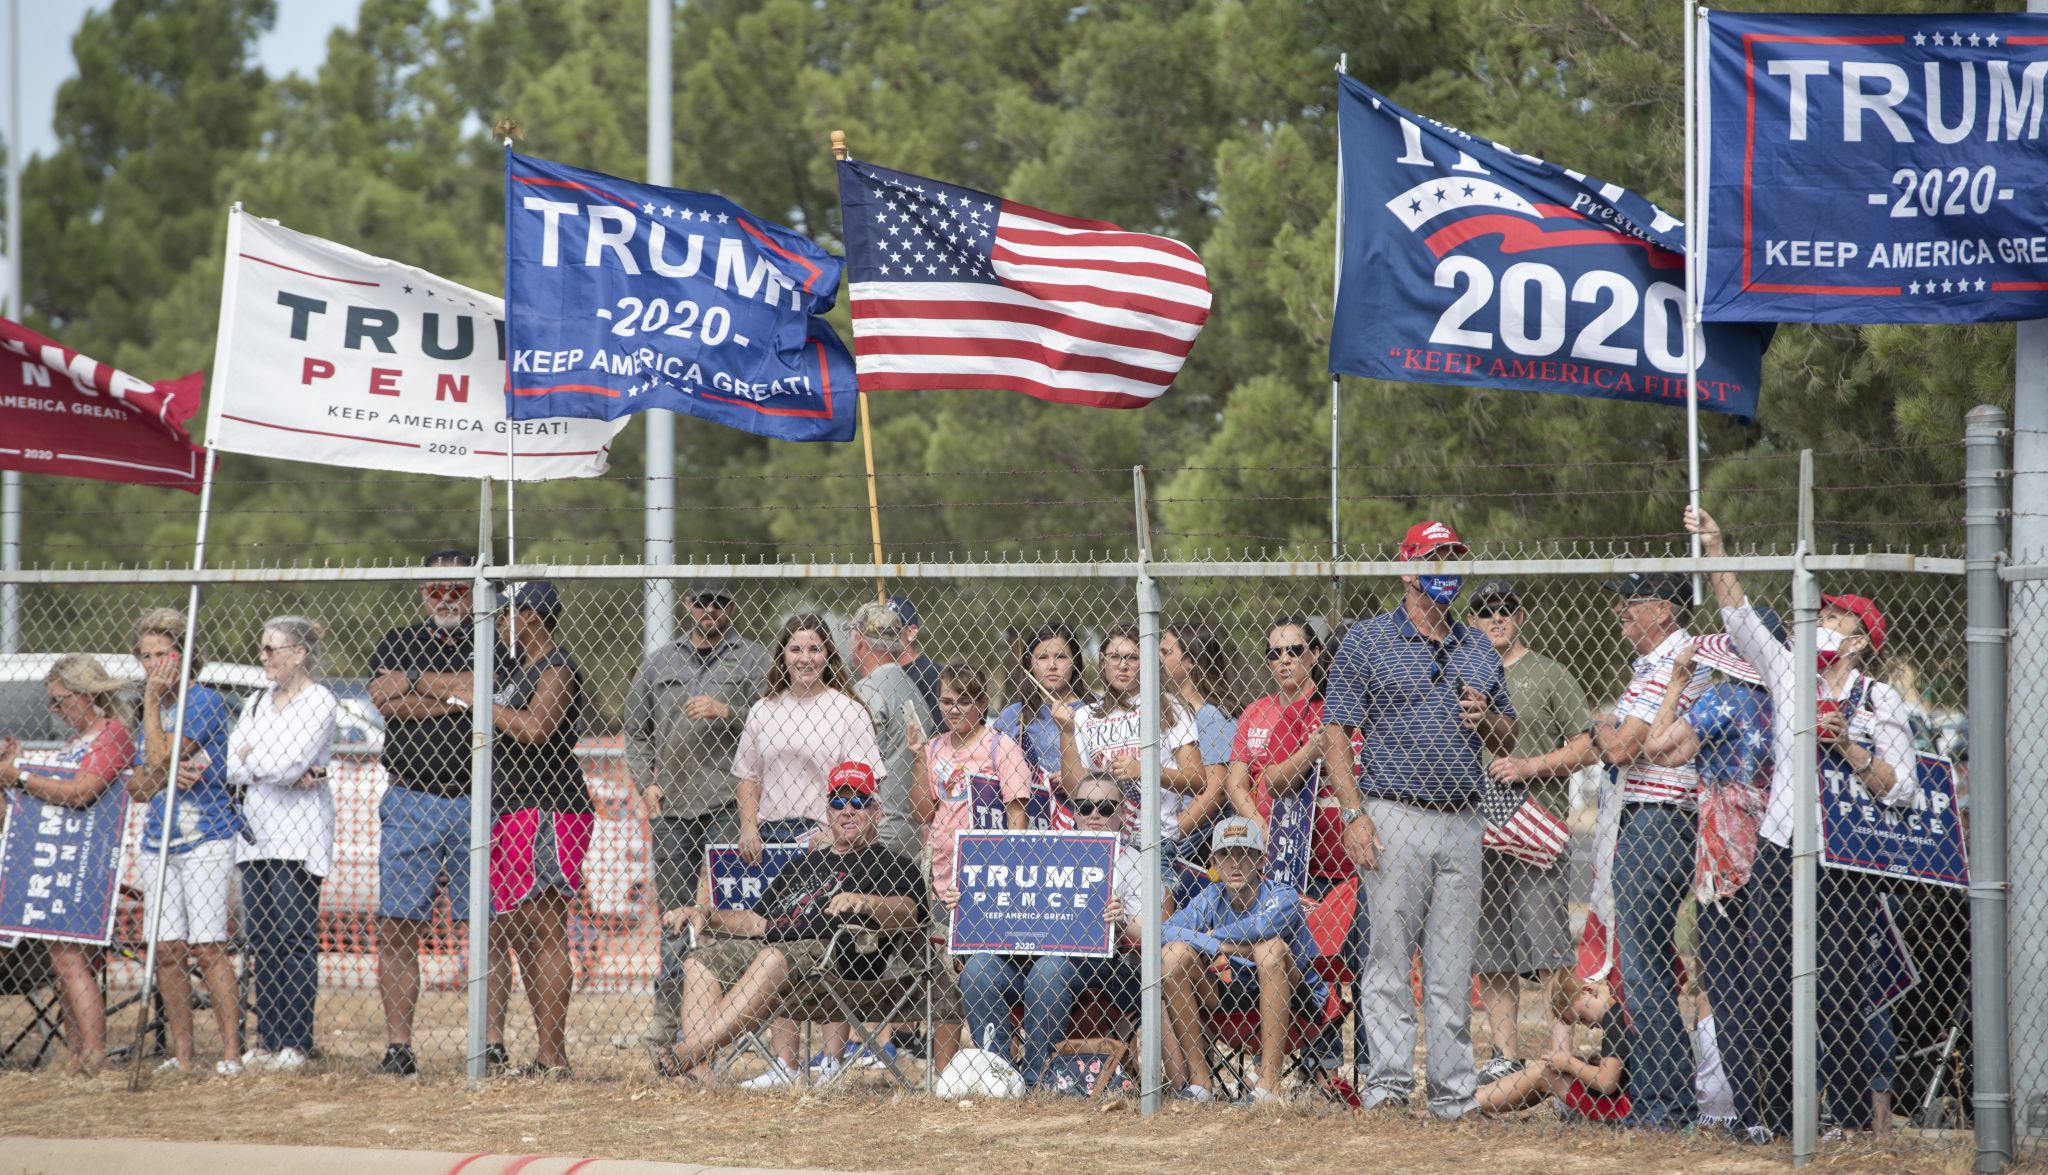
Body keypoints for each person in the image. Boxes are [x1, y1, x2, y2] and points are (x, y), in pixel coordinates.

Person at [1688, 506, 1916, 1139]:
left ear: (1860, 639)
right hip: (1779, 847)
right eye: (1821, 612)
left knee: (1839, 992)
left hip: (1842, 860)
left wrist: (1849, 748)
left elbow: (1902, 790)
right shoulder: (1789, 672)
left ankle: (1843, 1119)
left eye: (1836, 616)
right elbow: (1736, 615)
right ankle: (1779, 1118)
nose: (1823, 619)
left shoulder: (1878, 699)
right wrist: (1716, 544)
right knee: (1769, 987)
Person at [1320, 520, 1517, 1119]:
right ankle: (1385, 1087)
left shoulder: (1478, 645)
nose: (1446, 567)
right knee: (1387, 958)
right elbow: (1335, 732)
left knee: (1452, 966)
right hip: (1392, 813)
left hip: (1462, 819)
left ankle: (1454, 1095)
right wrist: (1354, 814)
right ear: (1407, 569)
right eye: (1434, 558)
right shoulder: (1368, 639)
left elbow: (1508, 733)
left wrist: (1486, 717)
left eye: (1454, 556)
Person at [658, 762, 935, 1088]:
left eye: (858, 803)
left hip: (835, 964)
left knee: (773, 955)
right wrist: (705, 913)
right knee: (699, 963)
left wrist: (866, 902)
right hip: (775, 952)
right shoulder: (803, 863)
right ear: (827, 812)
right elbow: (758, 920)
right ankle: (699, 1071)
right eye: (837, 803)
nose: (847, 811)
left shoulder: (892, 863)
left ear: (877, 811)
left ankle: (691, 1050)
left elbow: (909, 912)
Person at [731, 615, 889, 1085]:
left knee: (826, 943)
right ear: (782, 654)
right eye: (796, 649)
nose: (805, 658)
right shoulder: (764, 710)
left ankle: (833, 1059)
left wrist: (843, 836)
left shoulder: (846, 710)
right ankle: (784, 1063)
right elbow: (747, 776)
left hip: (826, 839)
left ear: (829, 655)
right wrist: (748, 827)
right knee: (779, 940)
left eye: (815, 649)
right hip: (773, 839)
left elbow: (867, 782)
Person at [367, 548, 504, 1076]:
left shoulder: (494, 636)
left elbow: (483, 693)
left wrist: (418, 684)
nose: (446, 598)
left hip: (479, 797)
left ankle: (490, 1044)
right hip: (411, 796)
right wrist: (452, 694)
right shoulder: (398, 639)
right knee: (398, 923)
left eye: (458, 589)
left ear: (476, 591)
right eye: (435, 589)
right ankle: (399, 1046)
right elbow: (383, 697)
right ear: (422, 591)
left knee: (487, 926)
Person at [626, 576, 770, 1058]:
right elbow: (636, 731)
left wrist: (726, 709)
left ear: (733, 606)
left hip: (728, 807)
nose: (711, 610)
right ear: (688, 605)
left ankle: (731, 1025)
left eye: (721, 603)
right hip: (673, 809)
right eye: (703, 602)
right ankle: (669, 1020)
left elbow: (775, 717)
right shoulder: (660, 662)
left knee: (726, 915)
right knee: (673, 917)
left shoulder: (752, 659)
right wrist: (646, 781)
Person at [1643, 632, 1773, 1141]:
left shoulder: (1724, 698)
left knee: (1726, 984)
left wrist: (1676, 684)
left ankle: (1743, 1110)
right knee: (1773, 981)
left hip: (1724, 861)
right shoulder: (1787, 698)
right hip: (1777, 857)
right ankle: (1779, 1107)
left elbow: (1659, 749)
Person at [953, 769, 1156, 1090]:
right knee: (978, 968)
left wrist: (1121, 920)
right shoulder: (1045, 851)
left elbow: (1152, 933)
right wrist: (964, 899)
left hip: (1101, 966)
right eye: (1085, 807)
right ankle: (998, 1076)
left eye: (1105, 808)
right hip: (1025, 958)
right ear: (1073, 812)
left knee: (1050, 969)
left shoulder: (1134, 861)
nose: (1094, 815)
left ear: (1122, 812)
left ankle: (1036, 1078)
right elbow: (1000, 901)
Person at [1466, 580, 1595, 1081]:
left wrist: (1530, 766)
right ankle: (1504, 1057)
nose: (1496, 617)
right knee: (1493, 950)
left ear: (1520, 615)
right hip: (1480, 833)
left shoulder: (1551, 675)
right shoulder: (1465, 674)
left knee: (1550, 951)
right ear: (1472, 620)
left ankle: (1560, 1056)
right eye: (1484, 611)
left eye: (1505, 609)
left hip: (1536, 833)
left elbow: (1584, 747)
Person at [0, 655, 135, 1074]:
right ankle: (75, 1054)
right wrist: (17, 766)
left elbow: (81, 793)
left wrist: (20, 776)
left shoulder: (111, 735)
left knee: (72, 959)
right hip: (61, 860)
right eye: (52, 704)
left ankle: (93, 1054)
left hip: (88, 864)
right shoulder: (77, 741)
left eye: (61, 701)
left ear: (86, 694)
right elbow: (42, 800)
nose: (56, 711)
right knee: (61, 961)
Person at [128, 606, 244, 1077]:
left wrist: (155, 716)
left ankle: (231, 1053)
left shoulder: (202, 702)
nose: (154, 664)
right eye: (145, 655)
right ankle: (182, 1052)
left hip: (206, 840)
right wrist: (162, 770)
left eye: (163, 653)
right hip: (159, 841)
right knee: (168, 948)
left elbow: (161, 756)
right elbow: (138, 784)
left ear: (184, 654)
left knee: (207, 945)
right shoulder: (150, 709)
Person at [484, 581, 592, 1077]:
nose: (501, 619)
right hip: (511, 806)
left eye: (509, 611)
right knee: (523, 930)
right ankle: (545, 1053)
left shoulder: (557, 666)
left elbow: (536, 728)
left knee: (548, 928)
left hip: (550, 806)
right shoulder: (512, 669)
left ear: (532, 615)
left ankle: (554, 1056)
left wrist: (478, 702)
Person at [228, 615, 338, 1073]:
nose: (264, 657)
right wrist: (263, 765)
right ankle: (268, 1040)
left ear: (300, 653)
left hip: (299, 836)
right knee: (262, 939)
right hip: (256, 834)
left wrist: (261, 761)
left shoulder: (320, 702)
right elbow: (232, 763)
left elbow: (292, 763)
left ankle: (296, 1040)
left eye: (273, 649)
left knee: (293, 936)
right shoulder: (255, 702)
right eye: (263, 648)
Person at [1160, 817, 1322, 1104]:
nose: (1235, 863)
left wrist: (1219, 941)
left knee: (1268, 949)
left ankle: (1268, 1084)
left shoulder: (1282, 894)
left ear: (1261, 860)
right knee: (1173, 954)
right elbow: (1165, 930)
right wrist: (1222, 945)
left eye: (1245, 853)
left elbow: (1260, 928)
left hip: (1298, 1000)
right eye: (1225, 854)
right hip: (1234, 995)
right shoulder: (1211, 896)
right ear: (1213, 861)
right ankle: (1201, 1084)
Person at [1055, 624, 1204, 852]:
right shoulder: (1086, 715)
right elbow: (1075, 788)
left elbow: (1196, 780)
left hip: (1155, 840)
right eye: (1114, 657)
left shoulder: (1169, 708)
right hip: (1101, 841)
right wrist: (1066, 732)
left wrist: (1146, 770)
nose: (1123, 665)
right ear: (1102, 662)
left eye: (1133, 658)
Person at [910, 663, 1032, 905]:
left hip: (985, 875)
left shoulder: (1000, 747)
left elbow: (1017, 815)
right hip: (939, 875)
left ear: (983, 702)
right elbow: (921, 814)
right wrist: (919, 759)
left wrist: (1008, 871)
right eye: (946, 701)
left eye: (964, 702)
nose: (954, 710)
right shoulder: (934, 747)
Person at [1476, 975, 1630, 1123]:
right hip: (1626, 1103)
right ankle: (1476, 1101)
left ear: (1588, 990)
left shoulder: (1615, 1019)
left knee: (1546, 1073)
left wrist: (1569, 1063)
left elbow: (1607, 1082)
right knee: (1550, 1071)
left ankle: (1469, 1103)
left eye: (1582, 1017)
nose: (1588, 1027)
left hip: (1619, 1111)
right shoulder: (1621, 1005)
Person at [849, 600, 927, 856]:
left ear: (859, 640)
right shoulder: (913, 688)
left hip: (876, 835)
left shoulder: (867, 691)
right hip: (913, 832)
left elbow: (856, 771)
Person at [992, 623, 1087, 830]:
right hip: (1029, 822)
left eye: (1061, 656)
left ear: (1075, 661)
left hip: (1082, 822)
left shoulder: (1095, 710)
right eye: (1042, 657)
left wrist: (1079, 777)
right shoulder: (1012, 716)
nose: (1052, 665)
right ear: (1029, 663)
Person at [1161, 622, 1240, 865]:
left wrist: (1170, 834)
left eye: (1166, 652)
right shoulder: (1175, 709)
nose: (1158, 658)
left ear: (1189, 662)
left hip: (1197, 842)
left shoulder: (1211, 714)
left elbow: (1216, 792)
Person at [887, 595, 947, 733]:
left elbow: (942, 732)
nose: (882, 634)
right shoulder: (880, 672)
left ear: (911, 632)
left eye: (890, 629)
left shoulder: (930, 673)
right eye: (876, 628)